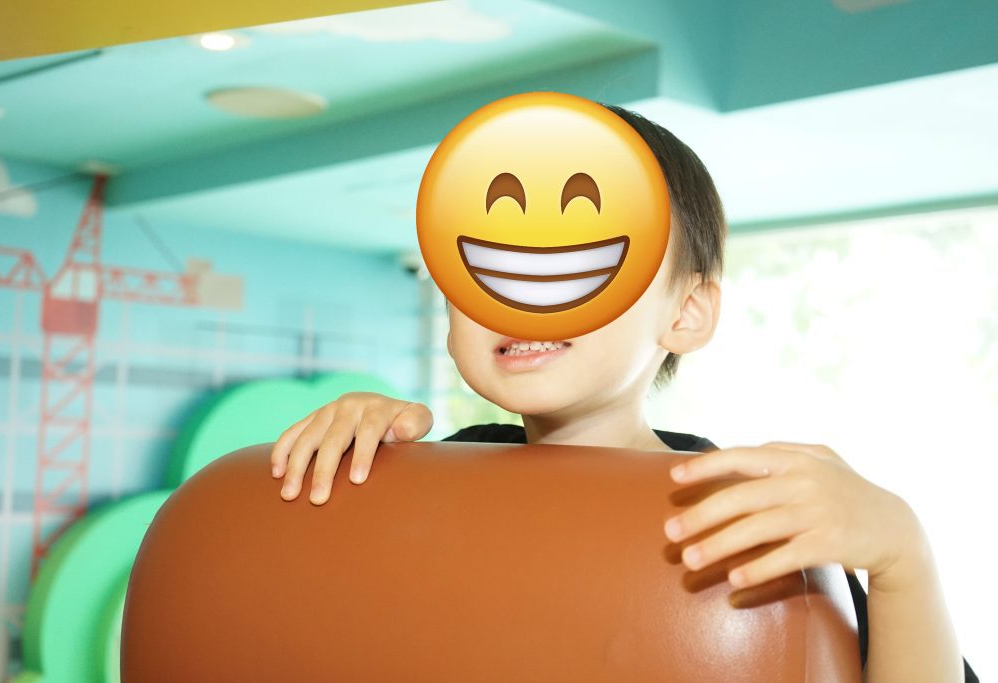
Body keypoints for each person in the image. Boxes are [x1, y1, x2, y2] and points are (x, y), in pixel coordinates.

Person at [269, 103, 979, 682]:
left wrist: (902, 557)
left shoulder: (744, 517)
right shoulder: (428, 480)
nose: (526, 295)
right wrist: (356, 463)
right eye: (489, 260)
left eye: (581, 258)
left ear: (685, 313)